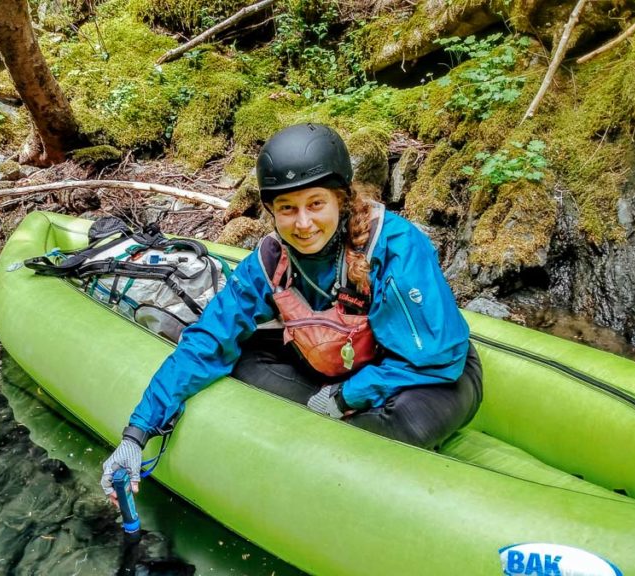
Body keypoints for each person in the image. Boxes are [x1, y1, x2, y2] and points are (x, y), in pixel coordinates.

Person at [100, 122, 482, 502]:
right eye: (287, 209)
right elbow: (206, 341)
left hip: (431, 376)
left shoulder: (396, 246)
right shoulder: (267, 261)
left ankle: (358, 440)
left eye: (316, 204)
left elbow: (438, 358)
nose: (303, 223)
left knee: (400, 425)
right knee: (240, 362)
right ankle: (330, 424)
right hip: (336, 364)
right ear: (271, 212)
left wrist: (348, 396)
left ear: (341, 200)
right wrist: (137, 434)